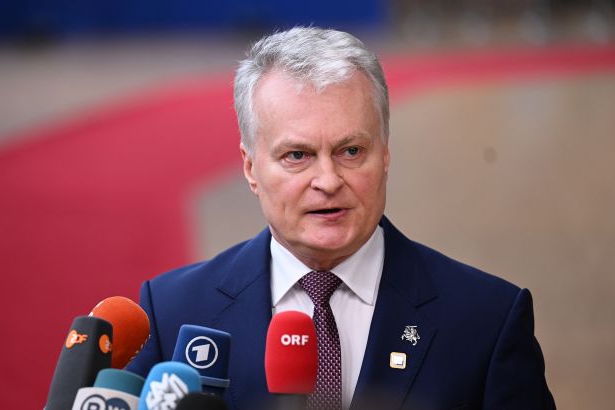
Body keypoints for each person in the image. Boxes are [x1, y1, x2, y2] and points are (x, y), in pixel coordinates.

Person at [127, 27, 555, 410]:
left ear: (384, 155)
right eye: (297, 155)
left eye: (351, 151)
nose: (329, 181)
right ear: (250, 167)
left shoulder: (487, 320)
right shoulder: (173, 313)